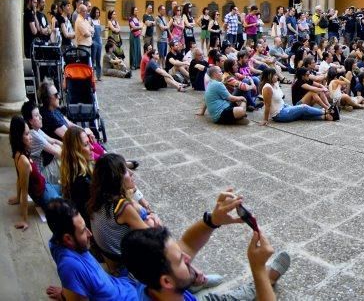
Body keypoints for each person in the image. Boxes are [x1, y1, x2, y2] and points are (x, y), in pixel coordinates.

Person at [46, 190, 289, 301]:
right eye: (181, 260)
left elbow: (186, 244)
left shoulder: (150, 282)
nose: (187, 258)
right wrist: (256, 268)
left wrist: (211, 221)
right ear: (167, 281)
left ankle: (261, 282)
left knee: (228, 296)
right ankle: (264, 279)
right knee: (242, 293)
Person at [8, 115, 61, 231]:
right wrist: (24, 219)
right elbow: (25, 190)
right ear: (19, 137)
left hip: (46, 186)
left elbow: (18, 178)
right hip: (45, 196)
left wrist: (17, 198)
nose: (30, 136)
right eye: (27, 134)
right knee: (69, 206)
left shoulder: (18, 153)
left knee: (70, 187)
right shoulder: (24, 162)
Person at [261, 68, 335, 123]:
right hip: (279, 114)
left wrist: (322, 88)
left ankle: (324, 117)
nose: (277, 77)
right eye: (275, 75)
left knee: (301, 114)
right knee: (304, 107)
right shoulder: (267, 87)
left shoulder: (275, 84)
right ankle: (327, 111)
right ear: (269, 76)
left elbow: (317, 85)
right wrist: (265, 119)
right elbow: (267, 105)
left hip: (284, 107)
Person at [59, 126, 93, 224]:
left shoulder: (72, 171)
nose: (92, 147)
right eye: (86, 144)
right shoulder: (82, 181)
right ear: (76, 151)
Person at [22, 99, 62, 185]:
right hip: (40, 175)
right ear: (30, 121)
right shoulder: (33, 135)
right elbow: (58, 152)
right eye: (36, 115)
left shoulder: (37, 130)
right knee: (66, 162)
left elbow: (53, 140)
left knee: (61, 153)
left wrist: (69, 146)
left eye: (39, 114)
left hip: (44, 167)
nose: (41, 117)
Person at [90, 6, 105, 80]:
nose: (98, 14)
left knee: (98, 59)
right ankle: (92, 76)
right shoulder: (91, 21)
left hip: (99, 42)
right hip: (94, 42)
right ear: (93, 12)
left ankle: (98, 76)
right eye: (96, 12)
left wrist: (101, 41)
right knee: (92, 60)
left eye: (98, 12)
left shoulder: (98, 21)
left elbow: (100, 33)